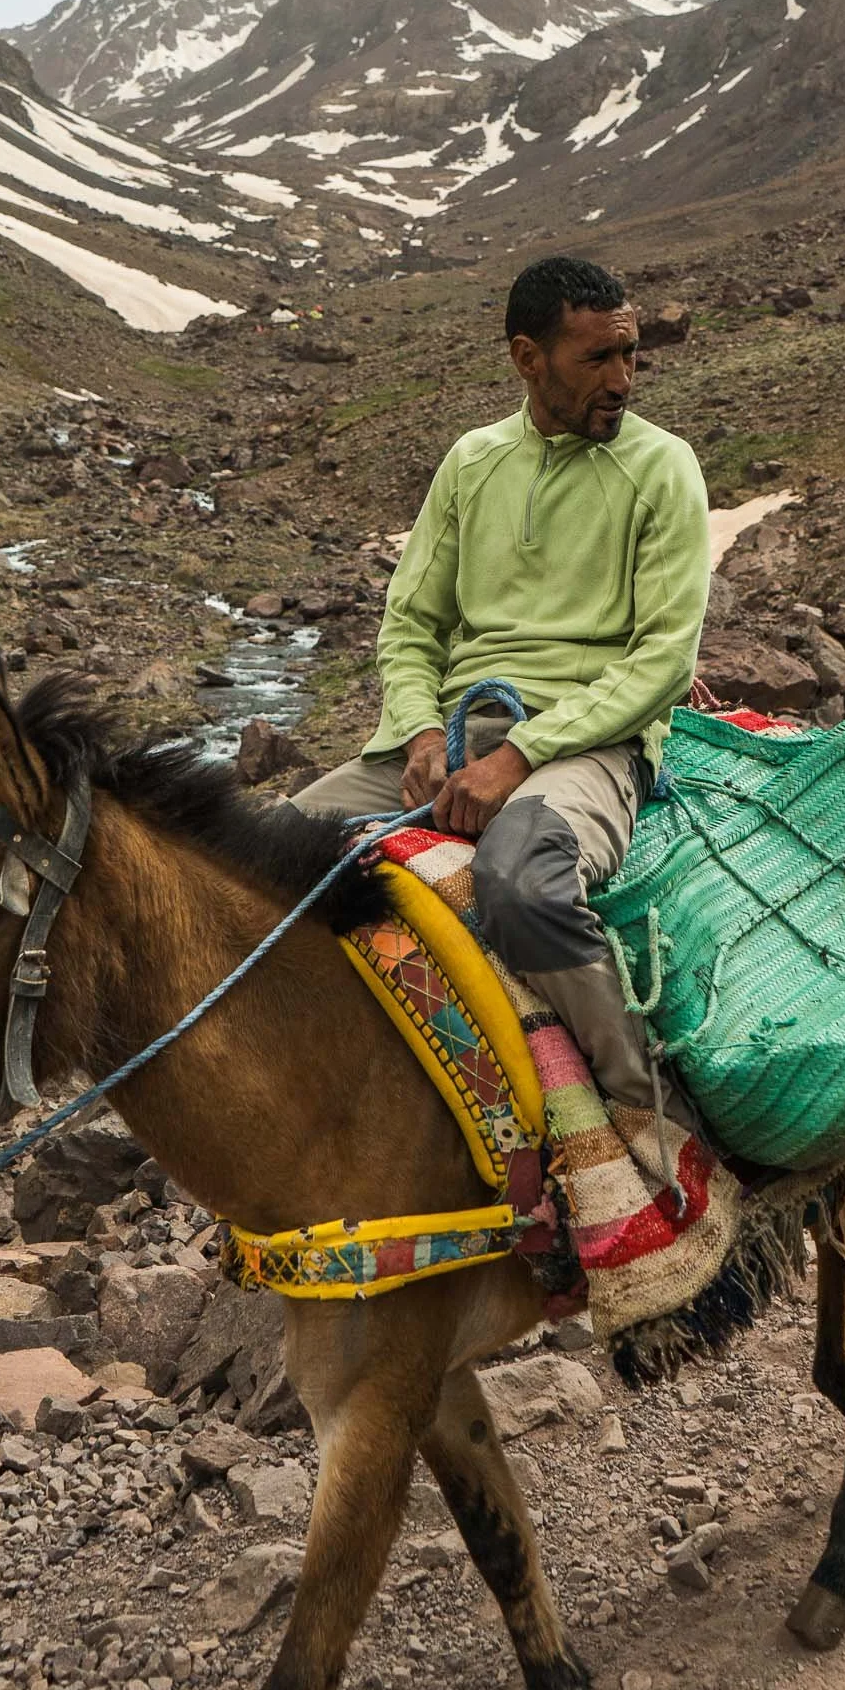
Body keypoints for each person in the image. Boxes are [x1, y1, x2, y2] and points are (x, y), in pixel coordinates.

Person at [293, 254, 711, 1111]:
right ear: (528, 358)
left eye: (630, 355)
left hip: (590, 742)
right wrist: (417, 731)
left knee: (521, 882)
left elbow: (664, 660)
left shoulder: (663, 468)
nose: (623, 380)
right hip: (459, 728)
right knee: (270, 851)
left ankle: (644, 1112)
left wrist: (522, 754)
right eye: (597, 359)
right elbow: (412, 627)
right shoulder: (472, 462)